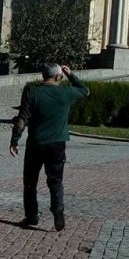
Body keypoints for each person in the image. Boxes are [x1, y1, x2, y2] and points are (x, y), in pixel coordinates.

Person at [9, 63, 89, 231]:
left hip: (35, 144)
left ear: (43, 76)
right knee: (55, 180)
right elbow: (85, 90)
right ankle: (58, 210)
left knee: (30, 182)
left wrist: (14, 141)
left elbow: (22, 118)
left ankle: (32, 216)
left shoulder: (33, 92)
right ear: (58, 76)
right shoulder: (66, 92)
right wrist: (71, 75)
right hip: (57, 144)